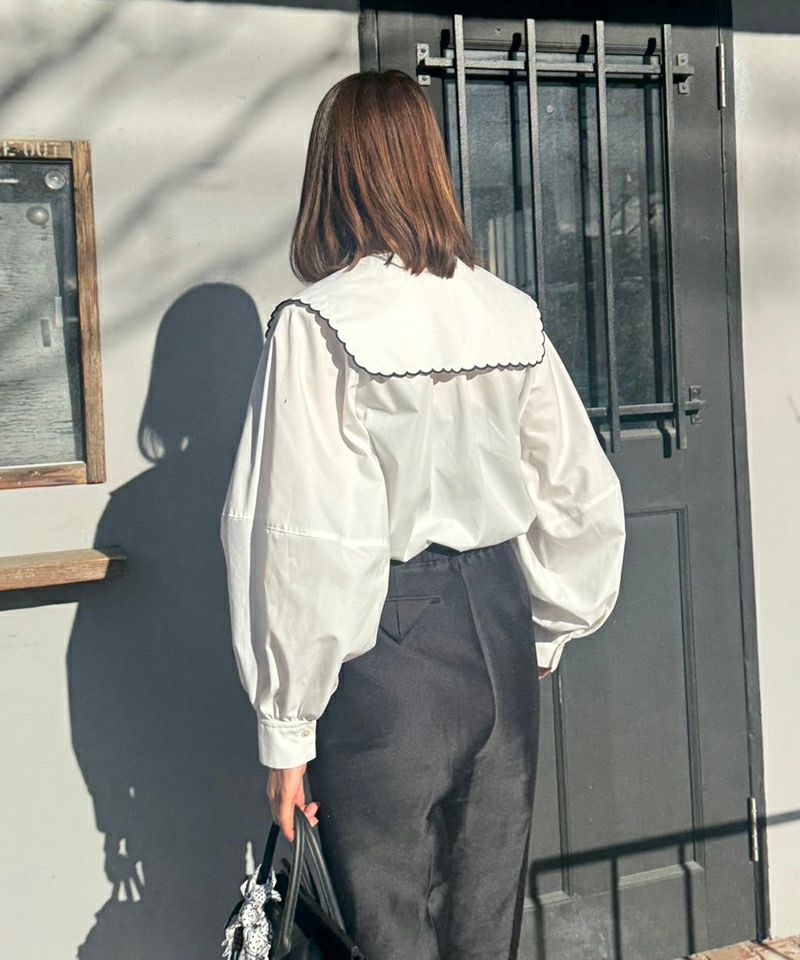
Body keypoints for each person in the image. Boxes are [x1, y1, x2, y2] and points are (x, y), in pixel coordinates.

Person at [219, 68, 626, 960]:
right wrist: (546, 629)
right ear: (429, 165)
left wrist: (286, 729)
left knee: (384, 929)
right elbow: (579, 491)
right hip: (502, 631)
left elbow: (304, 535)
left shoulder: (319, 325)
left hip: (387, 647)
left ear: (334, 173)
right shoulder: (508, 312)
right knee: (484, 927)